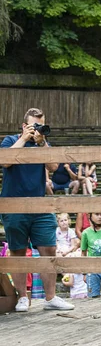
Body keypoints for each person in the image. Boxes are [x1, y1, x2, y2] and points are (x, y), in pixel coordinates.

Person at [0, 107, 74, 312]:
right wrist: (24, 138)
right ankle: (23, 297)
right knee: (17, 251)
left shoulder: (43, 144)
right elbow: (5, 161)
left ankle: (50, 297)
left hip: (41, 204)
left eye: (40, 125)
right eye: (34, 125)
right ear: (24, 126)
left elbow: (53, 166)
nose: (37, 129)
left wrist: (42, 141)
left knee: (48, 249)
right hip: (14, 204)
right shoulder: (10, 141)